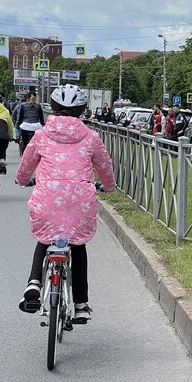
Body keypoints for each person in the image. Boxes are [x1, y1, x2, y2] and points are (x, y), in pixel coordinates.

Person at [15, 84, 116, 323]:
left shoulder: (41, 135)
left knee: (45, 238)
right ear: (81, 111)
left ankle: (34, 282)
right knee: (77, 245)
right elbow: (104, 166)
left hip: (47, 198)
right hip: (79, 201)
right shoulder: (91, 137)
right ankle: (81, 304)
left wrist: (22, 180)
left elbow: (26, 165)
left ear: (54, 109)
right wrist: (109, 187)